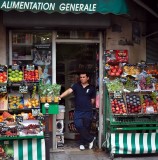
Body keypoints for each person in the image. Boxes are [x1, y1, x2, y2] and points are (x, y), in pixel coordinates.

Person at [59, 71, 96, 150]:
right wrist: (60, 96)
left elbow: (93, 100)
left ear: (88, 78)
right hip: (78, 110)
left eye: (83, 77)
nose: (82, 79)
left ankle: (83, 144)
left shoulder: (92, 88)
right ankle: (91, 139)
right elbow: (69, 91)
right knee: (78, 125)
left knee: (86, 127)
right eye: (81, 77)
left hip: (87, 111)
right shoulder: (76, 86)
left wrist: (88, 105)